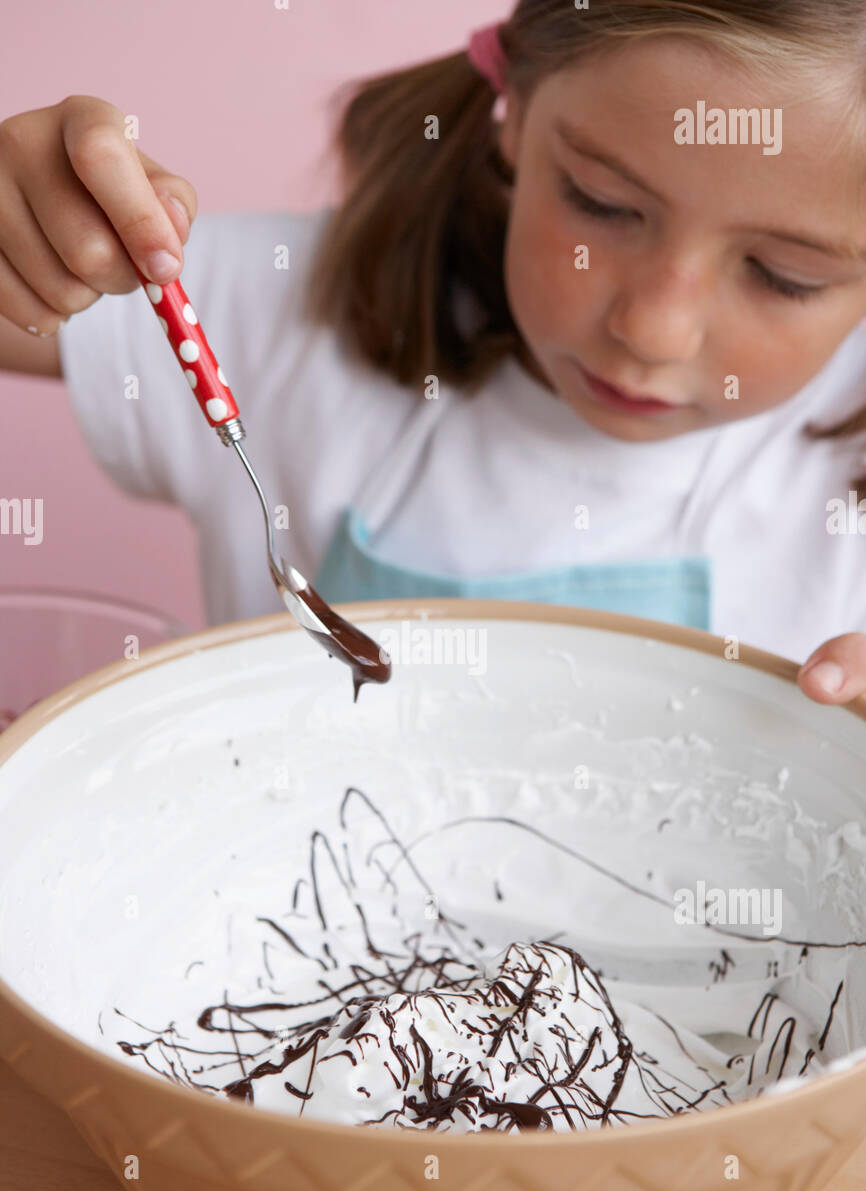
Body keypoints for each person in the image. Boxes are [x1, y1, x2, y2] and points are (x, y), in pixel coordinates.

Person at [1, 0, 865, 705]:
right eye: (602, 204)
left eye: (783, 276)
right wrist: (29, 225)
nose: (653, 330)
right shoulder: (284, 315)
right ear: (517, 111)